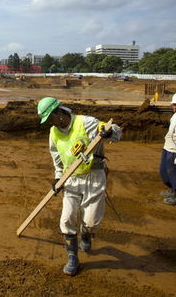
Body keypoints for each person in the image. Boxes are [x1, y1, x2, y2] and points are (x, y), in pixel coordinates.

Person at [37, 97, 122, 277]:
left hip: (94, 176)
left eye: (49, 118)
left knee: (91, 221)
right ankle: (72, 257)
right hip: (70, 179)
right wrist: (58, 178)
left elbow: (115, 131)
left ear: (59, 113)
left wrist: (109, 132)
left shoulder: (86, 122)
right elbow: (57, 159)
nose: (49, 124)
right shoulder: (54, 133)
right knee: (67, 219)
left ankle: (86, 233)